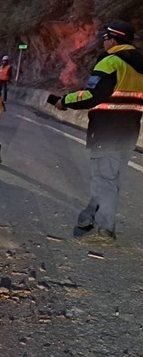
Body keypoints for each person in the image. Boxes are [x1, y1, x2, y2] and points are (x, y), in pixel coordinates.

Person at [54, 20, 143, 245]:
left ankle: (105, 231)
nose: (104, 42)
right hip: (130, 130)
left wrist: (65, 100)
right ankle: (89, 217)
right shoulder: (141, 64)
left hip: (107, 131)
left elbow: (93, 95)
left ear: (113, 39)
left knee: (105, 181)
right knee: (108, 179)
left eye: (105, 38)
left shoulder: (110, 62)